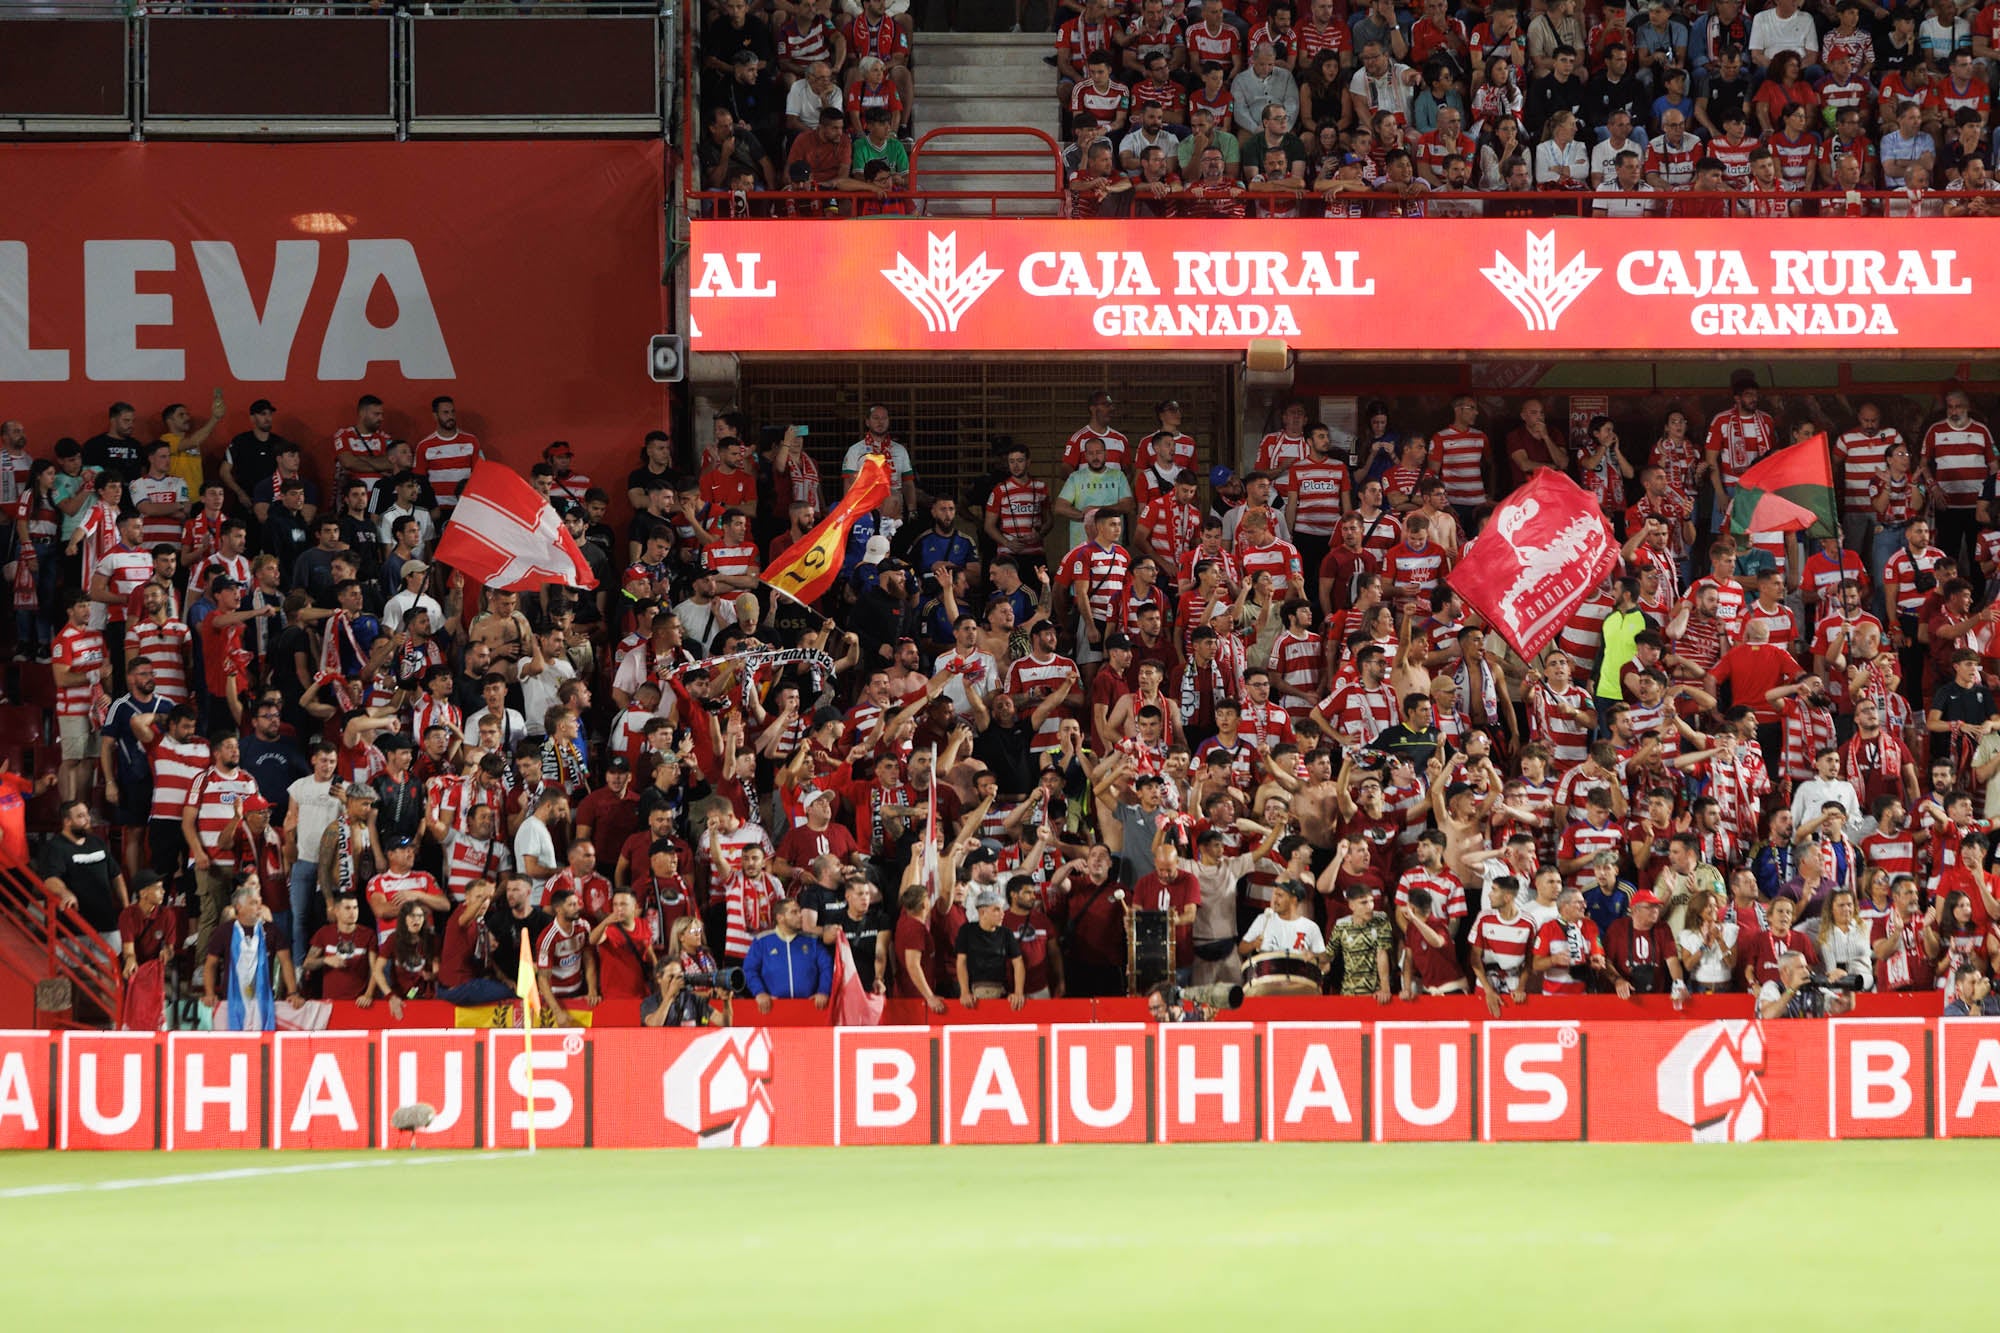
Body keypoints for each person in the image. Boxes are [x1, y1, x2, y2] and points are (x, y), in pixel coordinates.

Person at [201, 885, 299, 1030]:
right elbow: (210, 964)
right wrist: (209, 993)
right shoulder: (224, 931)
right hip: (232, 1000)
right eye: (253, 903)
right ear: (239, 907)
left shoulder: (272, 929)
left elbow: (286, 962)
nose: (259, 906)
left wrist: (292, 992)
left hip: (264, 1000)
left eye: (259, 902)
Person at [744, 896, 832, 1010]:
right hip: (773, 1009)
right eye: (794, 912)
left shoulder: (812, 941)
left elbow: (827, 966)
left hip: (810, 1008)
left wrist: (823, 991)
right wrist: (759, 992)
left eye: (799, 911)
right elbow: (750, 970)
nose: (800, 915)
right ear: (780, 918)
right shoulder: (762, 941)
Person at [955, 887, 1027, 1009]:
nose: (1002, 914)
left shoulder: (1006, 933)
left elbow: (1018, 963)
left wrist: (1018, 993)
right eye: (996, 910)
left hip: (1001, 991)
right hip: (974, 992)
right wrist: (965, 991)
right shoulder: (967, 931)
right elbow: (961, 962)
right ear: (983, 912)